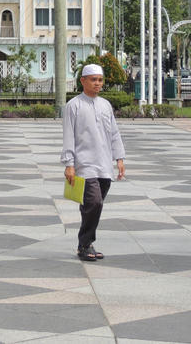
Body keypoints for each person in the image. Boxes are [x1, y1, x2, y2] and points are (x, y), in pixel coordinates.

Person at [61, 63, 126, 262]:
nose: (97, 83)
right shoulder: (74, 106)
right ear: (83, 81)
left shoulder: (105, 105)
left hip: (104, 163)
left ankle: (87, 243)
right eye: (93, 79)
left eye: (100, 80)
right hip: (84, 164)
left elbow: (114, 133)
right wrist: (69, 163)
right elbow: (68, 136)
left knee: (92, 205)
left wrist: (119, 158)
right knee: (94, 202)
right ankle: (84, 244)